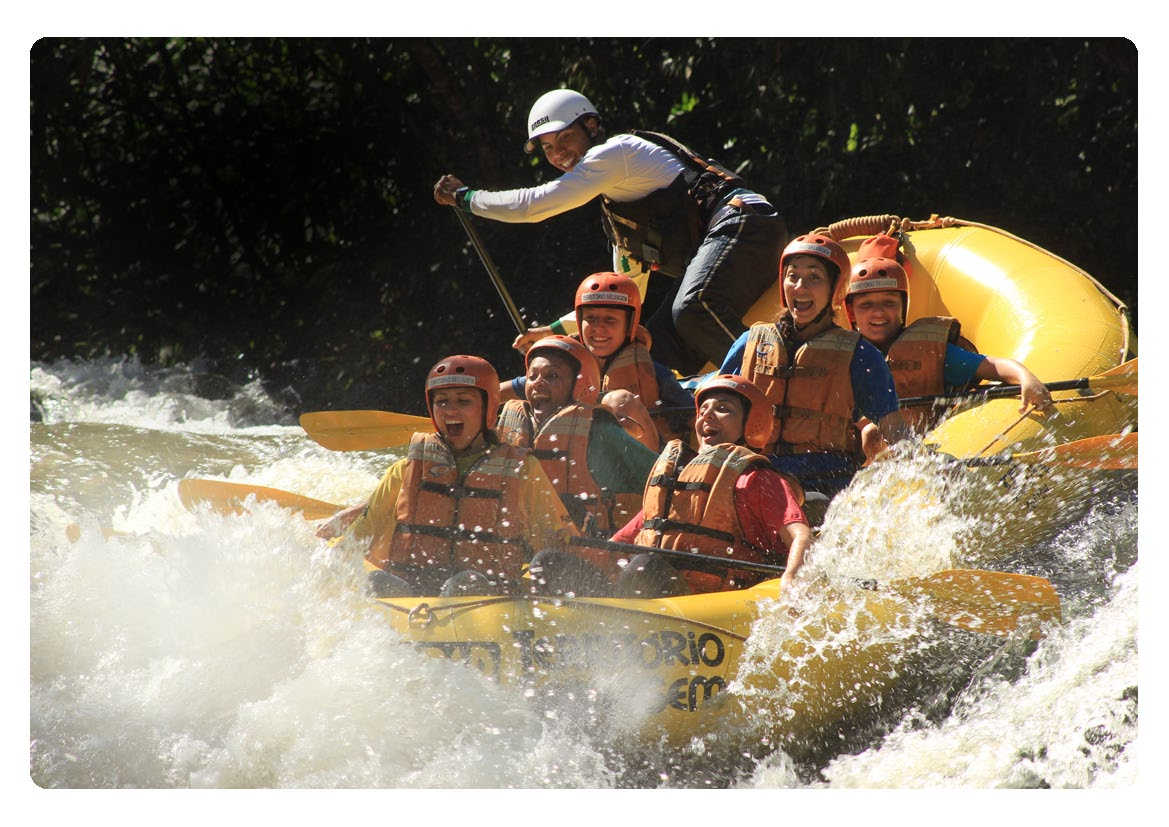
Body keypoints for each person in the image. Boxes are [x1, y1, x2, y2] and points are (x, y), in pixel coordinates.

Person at [433, 88, 787, 376]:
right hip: (729, 240)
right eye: (548, 148)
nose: (559, 154)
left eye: (566, 138)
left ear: (591, 125)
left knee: (693, 308)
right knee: (656, 348)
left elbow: (534, 205)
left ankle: (781, 381)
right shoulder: (623, 220)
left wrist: (466, 199)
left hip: (747, 222)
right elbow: (624, 295)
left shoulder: (616, 152)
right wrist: (553, 331)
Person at [531, 374, 812, 599]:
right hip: (648, 596)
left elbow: (800, 534)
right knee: (549, 562)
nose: (708, 416)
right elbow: (615, 549)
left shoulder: (757, 480)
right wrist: (569, 553)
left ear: (752, 425)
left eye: (723, 409)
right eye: (703, 410)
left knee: (644, 568)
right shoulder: (676, 483)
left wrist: (792, 579)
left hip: (713, 603)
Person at [343, 354, 578, 597]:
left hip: (486, 602)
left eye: (464, 401)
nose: (450, 409)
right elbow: (358, 537)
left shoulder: (523, 470)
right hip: (411, 601)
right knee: (376, 581)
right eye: (442, 401)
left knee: (466, 583)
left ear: (488, 409)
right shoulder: (405, 469)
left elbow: (555, 543)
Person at [718, 233, 910, 499]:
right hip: (756, 475)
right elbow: (716, 411)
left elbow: (895, 430)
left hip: (827, 484)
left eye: (814, 277)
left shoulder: (860, 355)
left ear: (835, 288)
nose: (800, 286)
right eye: (792, 276)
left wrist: (922, 466)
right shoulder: (750, 343)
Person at [844, 232, 1054, 458]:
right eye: (866, 304)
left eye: (889, 302)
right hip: (852, 464)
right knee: (867, 433)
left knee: (872, 433)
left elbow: (992, 366)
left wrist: (1025, 377)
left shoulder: (928, 350)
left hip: (924, 449)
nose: (878, 312)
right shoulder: (842, 356)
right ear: (851, 313)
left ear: (902, 309)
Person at [500, 272, 693, 451]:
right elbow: (502, 390)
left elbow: (692, 415)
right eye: (590, 319)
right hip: (573, 460)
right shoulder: (563, 366)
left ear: (629, 325)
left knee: (619, 401)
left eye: (610, 319)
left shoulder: (654, 371)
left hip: (637, 463)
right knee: (514, 410)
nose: (598, 328)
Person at [494, 334, 659, 537]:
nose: (538, 383)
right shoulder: (511, 428)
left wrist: (626, 538)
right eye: (532, 376)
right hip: (523, 554)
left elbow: (663, 482)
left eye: (552, 376)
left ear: (581, 387)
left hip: (594, 555)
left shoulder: (599, 434)